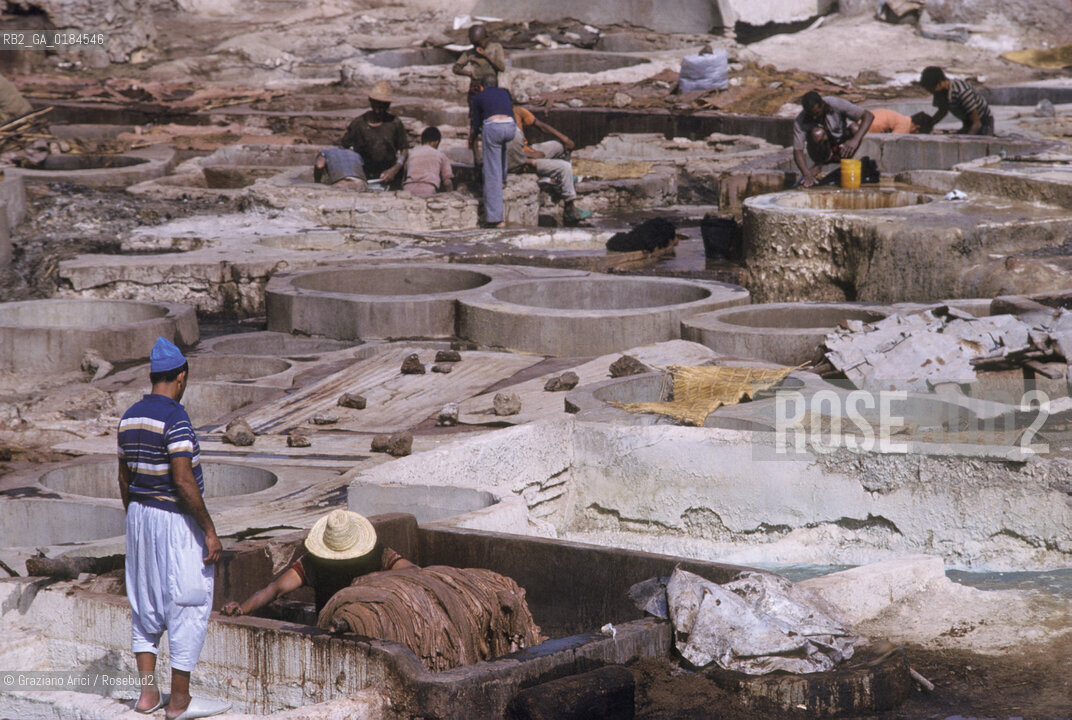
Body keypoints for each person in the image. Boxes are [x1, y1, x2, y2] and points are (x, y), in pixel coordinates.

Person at [117, 338, 230, 720]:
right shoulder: (175, 418)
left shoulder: (129, 417)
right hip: (172, 519)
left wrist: (135, 520)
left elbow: (123, 478)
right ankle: (179, 702)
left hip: (139, 516)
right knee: (188, 601)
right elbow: (183, 480)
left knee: (144, 605)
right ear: (181, 377)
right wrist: (209, 531)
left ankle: (147, 696)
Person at [220, 509, 415, 616]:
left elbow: (413, 570)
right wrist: (242, 608)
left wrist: (377, 577)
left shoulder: (377, 554)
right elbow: (275, 589)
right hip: (329, 627)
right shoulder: (314, 563)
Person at [506, 108, 587, 225]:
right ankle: (570, 209)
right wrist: (531, 156)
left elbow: (542, 126)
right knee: (564, 167)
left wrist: (565, 139)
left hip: (529, 151)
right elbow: (510, 155)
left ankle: (561, 183)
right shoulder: (498, 122)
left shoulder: (517, 111)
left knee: (560, 146)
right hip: (523, 160)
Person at [793, 91, 874, 188]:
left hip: (841, 145)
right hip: (822, 151)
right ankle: (819, 165)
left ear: (822, 105)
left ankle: (846, 159)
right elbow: (798, 151)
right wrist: (806, 173)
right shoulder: (800, 120)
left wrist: (854, 141)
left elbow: (869, 116)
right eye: (811, 115)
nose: (814, 117)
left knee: (855, 128)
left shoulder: (835, 104)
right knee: (817, 133)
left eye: (817, 113)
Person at [338, 81, 410, 187]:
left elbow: (404, 149)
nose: (378, 111)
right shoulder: (358, 123)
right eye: (375, 105)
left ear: (388, 105)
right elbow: (343, 147)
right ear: (370, 102)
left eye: (382, 107)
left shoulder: (394, 123)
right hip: (363, 175)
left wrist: (395, 169)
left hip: (389, 175)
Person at [469, 81, 515, 228]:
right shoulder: (504, 92)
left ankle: (496, 219)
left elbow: (476, 124)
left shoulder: (478, 97)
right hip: (510, 127)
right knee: (502, 149)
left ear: (481, 87)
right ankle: (503, 180)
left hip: (493, 127)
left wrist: (472, 138)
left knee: (491, 172)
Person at [918, 66, 994, 136]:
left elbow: (977, 123)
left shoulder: (962, 92)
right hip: (967, 123)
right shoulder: (940, 91)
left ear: (940, 83)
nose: (931, 92)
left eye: (931, 89)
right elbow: (942, 111)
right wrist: (928, 126)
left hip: (983, 123)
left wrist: (966, 141)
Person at [452, 24, 506, 101]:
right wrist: (470, 74)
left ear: (486, 38)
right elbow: (456, 68)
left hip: (490, 85)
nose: (477, 46)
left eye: (479, 43)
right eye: (474, 44)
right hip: (476, 86)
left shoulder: (495, 47)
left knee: (491, 106)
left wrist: (486, 55)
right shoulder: (470, 52)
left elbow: (501, 67)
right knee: (475, 106)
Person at [403, 126, 454, 197]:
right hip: (428, 190)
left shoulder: (412, 154)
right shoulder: (441, 155)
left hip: (408, 190)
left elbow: (404, 176)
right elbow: (447, 182)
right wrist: (451, 195)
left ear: (422, 141)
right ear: (437, 142)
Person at [866, 108, 933, 134]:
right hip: (866, 128)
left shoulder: (901, 118)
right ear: (917, 127)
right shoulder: (904, 127)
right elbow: (892, 144)